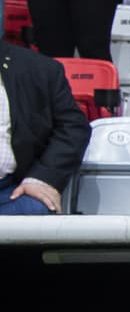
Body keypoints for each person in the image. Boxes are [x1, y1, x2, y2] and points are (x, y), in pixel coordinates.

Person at [0, 42, 90, 216]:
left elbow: (73, 127)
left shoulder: (39, 69)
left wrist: (41, 178)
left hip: (9, 194)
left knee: (35, 209)